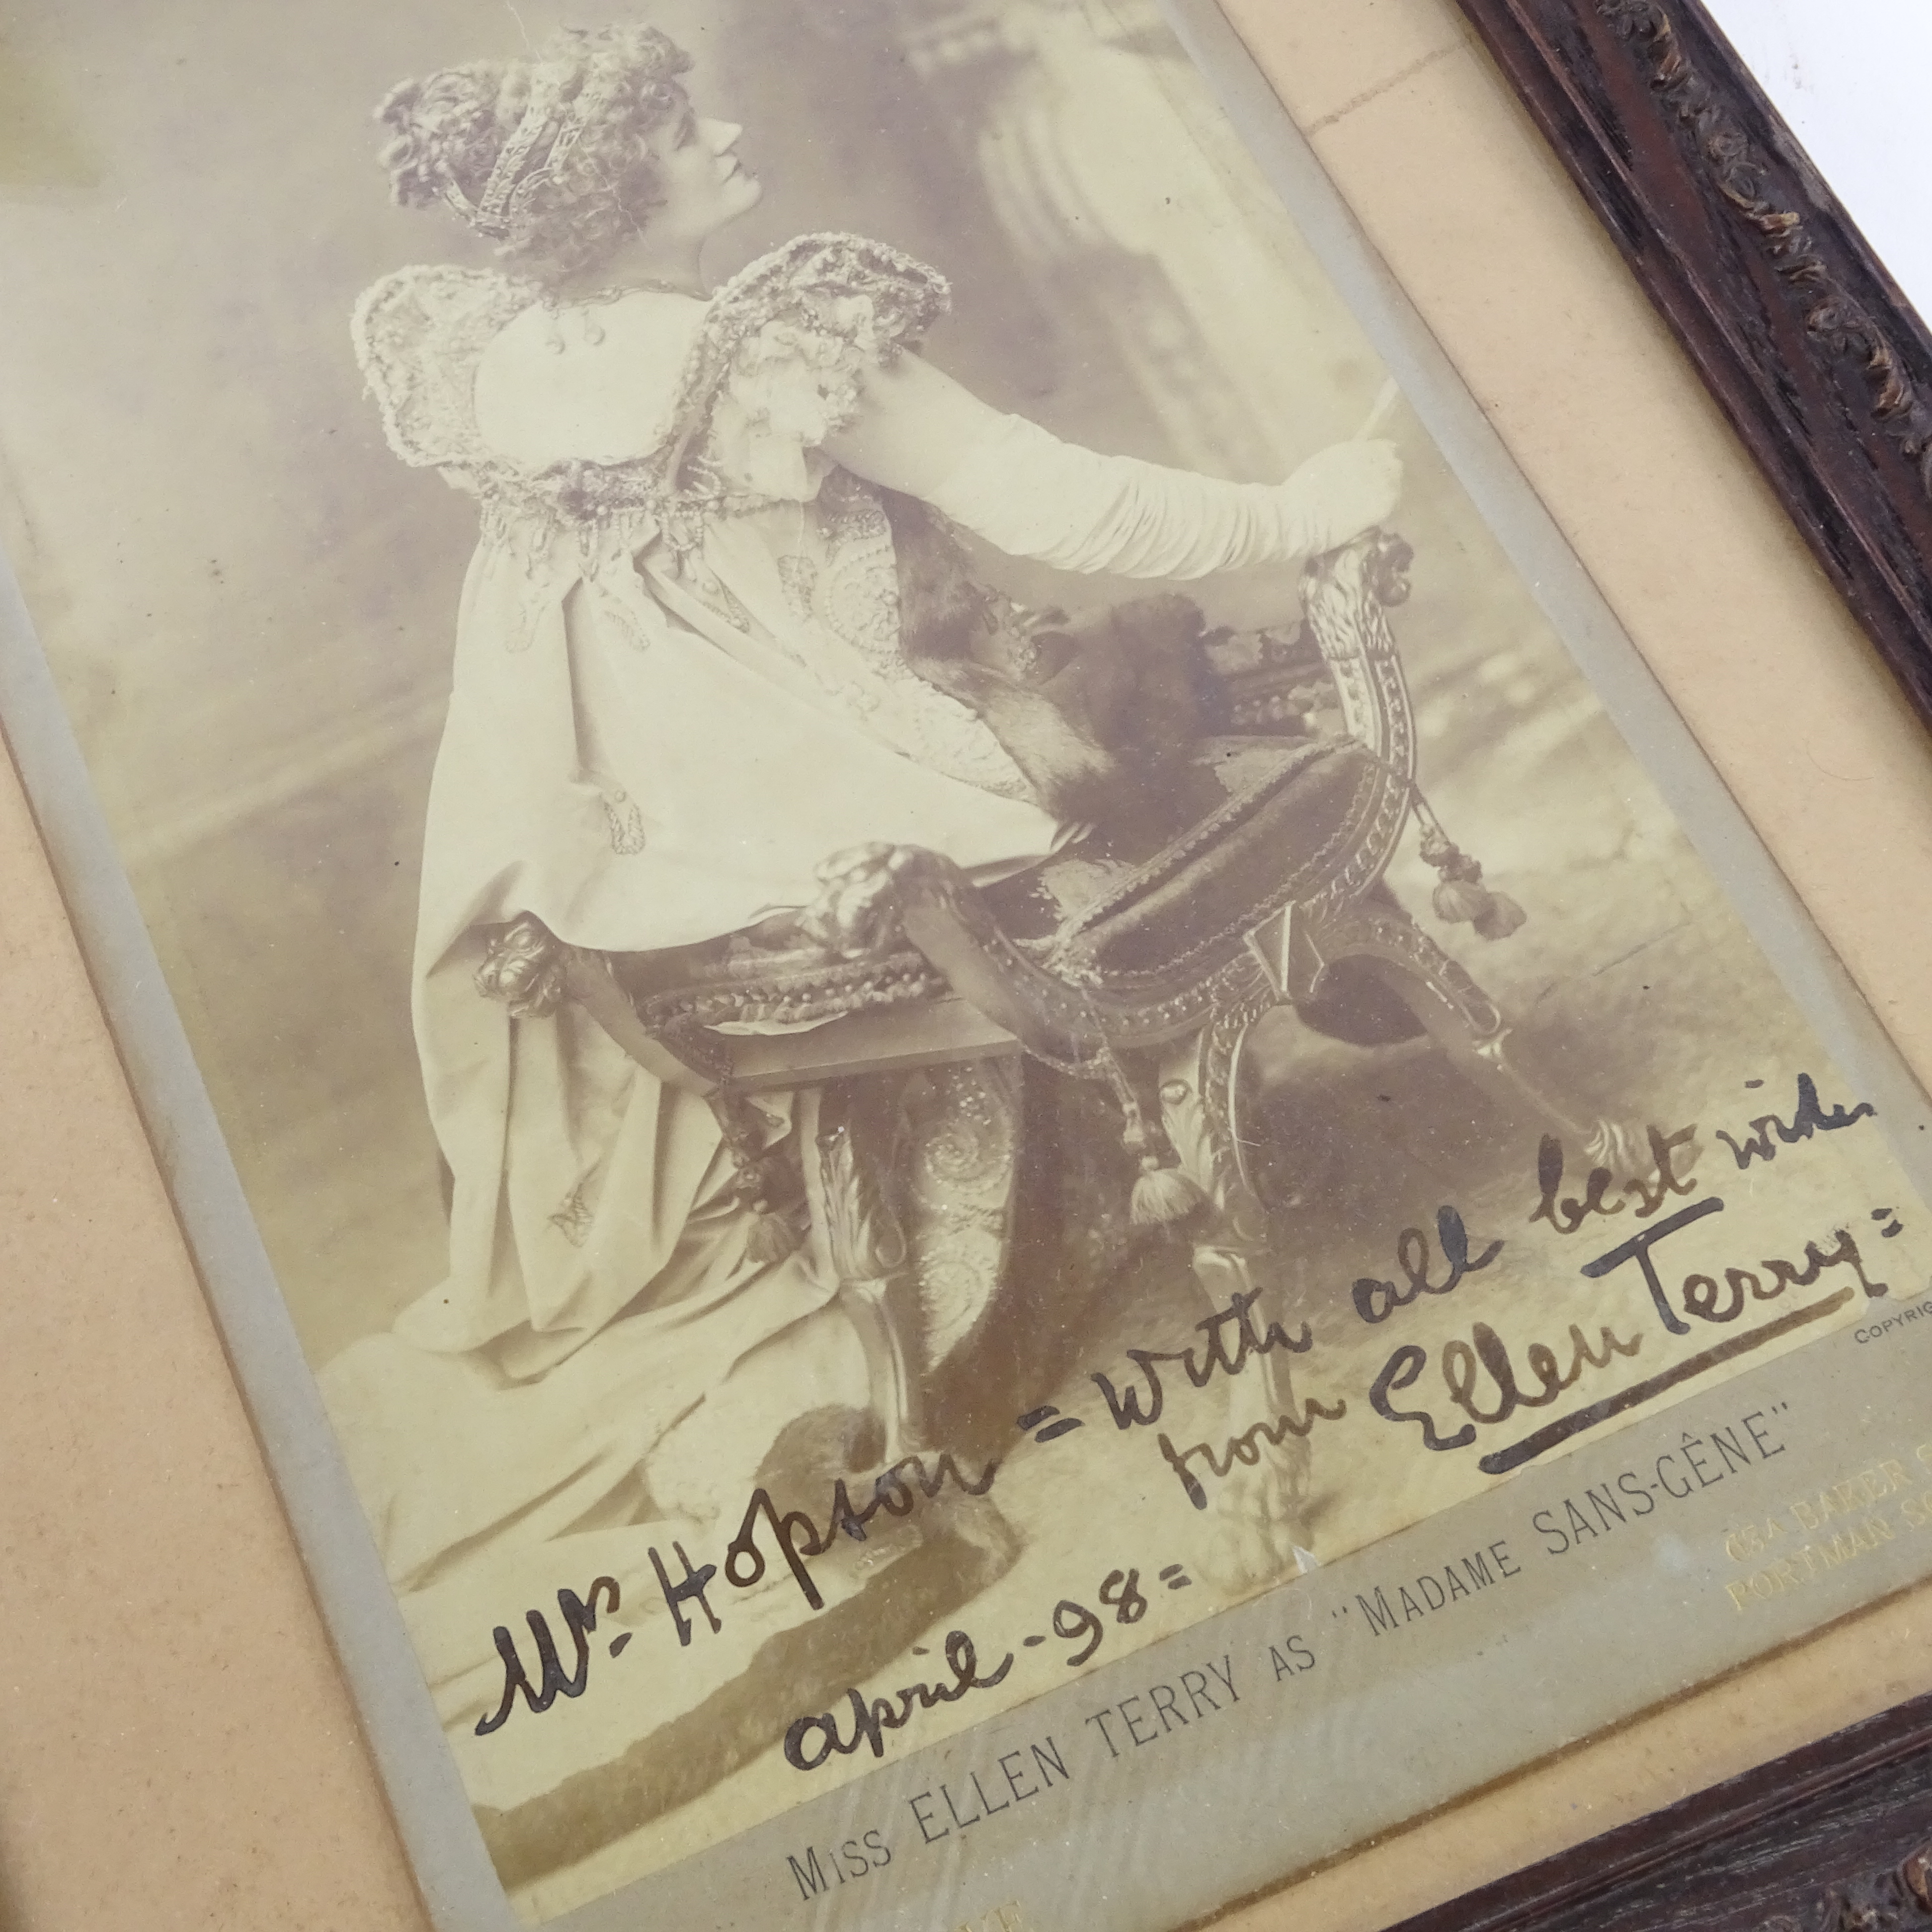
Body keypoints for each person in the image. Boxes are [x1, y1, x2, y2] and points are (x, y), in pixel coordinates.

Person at [325, 23, 1400, 1752]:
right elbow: (1058, 498)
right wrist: (1303, 502)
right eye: (686, 130)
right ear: (614, 184)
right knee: (1098, 700)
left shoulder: (511, 363)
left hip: (652, 901)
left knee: (1049, 674)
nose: (729, 134)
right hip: (872, 846)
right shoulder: (763, 348)